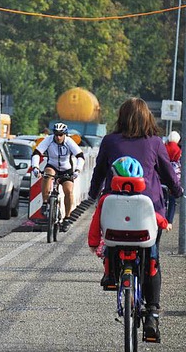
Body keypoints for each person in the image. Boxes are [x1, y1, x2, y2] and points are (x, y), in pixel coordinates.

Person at [88, 97, 182, 343]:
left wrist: (92, 193)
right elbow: (168, 174)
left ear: (121, 117)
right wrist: (177, 190)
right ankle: (152, 313)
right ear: (147, 118)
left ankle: (111, 274)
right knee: (152, 258)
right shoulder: (155, 143)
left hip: (115, 211)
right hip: (148, 213)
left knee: (113, 239)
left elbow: (99, 171)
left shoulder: (109, 141)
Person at [88, 157, 172, 290]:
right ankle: (151, 272)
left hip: (114, 237)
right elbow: (152, 216)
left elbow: (96, 221)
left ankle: (109, 275)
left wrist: (93, 242)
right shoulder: (144, 200)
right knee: (151, 252)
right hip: (140, 238)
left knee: (110, 252)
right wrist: (164, 223)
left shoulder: (106, 199)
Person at [30, 122, 85, 232]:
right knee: (47, 174)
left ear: (65, 134)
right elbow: (36, 153)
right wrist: (35, 167)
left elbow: (80, 156)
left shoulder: (69, 142)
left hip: (66, 169)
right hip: (52, 165)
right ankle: (45, 203)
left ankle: (67, 218)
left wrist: (78, 170)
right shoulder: (49, 140)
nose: (58, 137)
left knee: (68, 191)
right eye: (56, 134)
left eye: (61, 135)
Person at [165, 131, 181, 223]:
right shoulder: (178, 150)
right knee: (172, 200)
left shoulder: (164, 147)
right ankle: (170, 220)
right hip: (174, 178)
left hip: (163, 176)